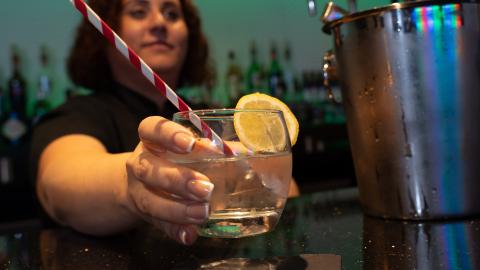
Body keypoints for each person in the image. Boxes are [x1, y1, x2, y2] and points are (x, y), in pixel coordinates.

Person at [30, 0, 299, 246]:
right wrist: (132, 187)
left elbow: (285, 188)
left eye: (171, 13)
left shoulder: (211, 117)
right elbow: (57, 184)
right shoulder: (78, 114)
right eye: (138, 12)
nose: (160, 23)